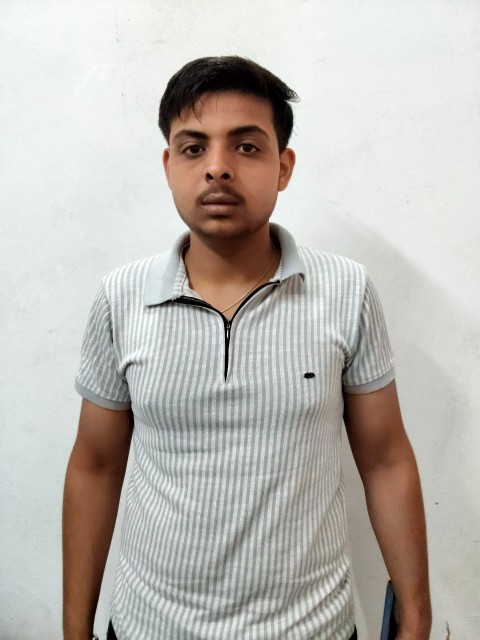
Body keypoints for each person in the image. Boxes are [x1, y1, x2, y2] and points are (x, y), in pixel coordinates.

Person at [63, 56, 431, 640]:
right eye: (193, 148)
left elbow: (386, 461)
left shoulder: (346, 291)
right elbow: (95, 467)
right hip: (149, 626)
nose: (217, 167)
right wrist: (74, 628)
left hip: (312, 629)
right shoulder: (121, 298)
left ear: (283, 167)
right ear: (168, 166)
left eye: (246, 147)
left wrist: (416, 617)